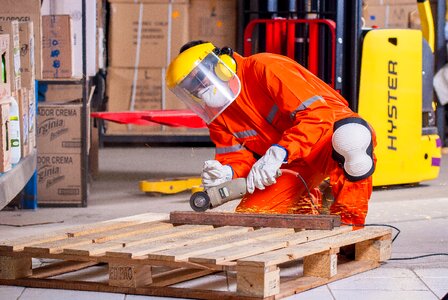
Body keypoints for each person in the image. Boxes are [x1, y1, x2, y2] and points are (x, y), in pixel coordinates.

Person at [166, 40, 377, 228]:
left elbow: (319, 116)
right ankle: (311, 213)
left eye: (200, 79)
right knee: (251, 220)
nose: (198, 89)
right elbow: (237, 157)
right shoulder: (217, 112)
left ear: (222, 66)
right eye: (191, 87)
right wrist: (227, 172)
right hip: (288, 164)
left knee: (352, 138)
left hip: (327, 139)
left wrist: (279, 152)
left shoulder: (264, 67)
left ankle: (350, 229)